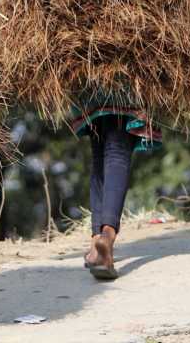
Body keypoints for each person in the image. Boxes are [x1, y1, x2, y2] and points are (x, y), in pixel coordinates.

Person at [71, 104, 160, 280]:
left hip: (89, 83)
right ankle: (107, 235)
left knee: (99, 144)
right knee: (117, 148)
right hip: (127, 82)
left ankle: (96, 239)